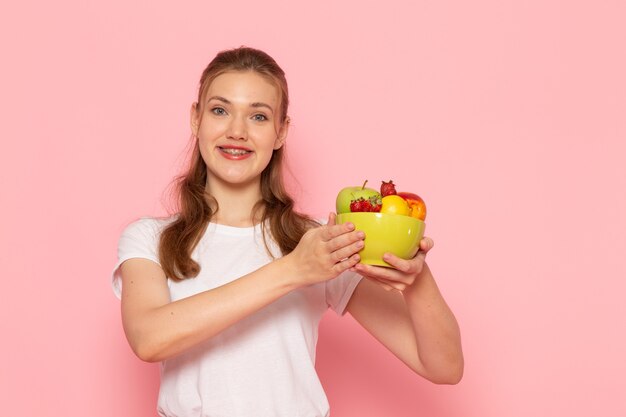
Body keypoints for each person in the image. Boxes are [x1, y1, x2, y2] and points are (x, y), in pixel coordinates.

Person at [112, 46, 463, 417]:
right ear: (195, 119)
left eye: (259, 117)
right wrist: (293, 270)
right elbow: (149, 339)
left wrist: (418, 279)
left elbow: (444, 367)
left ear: (281, 132)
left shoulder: (316, 243)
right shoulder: (150, 238)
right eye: (220, 110)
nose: (237, 131)